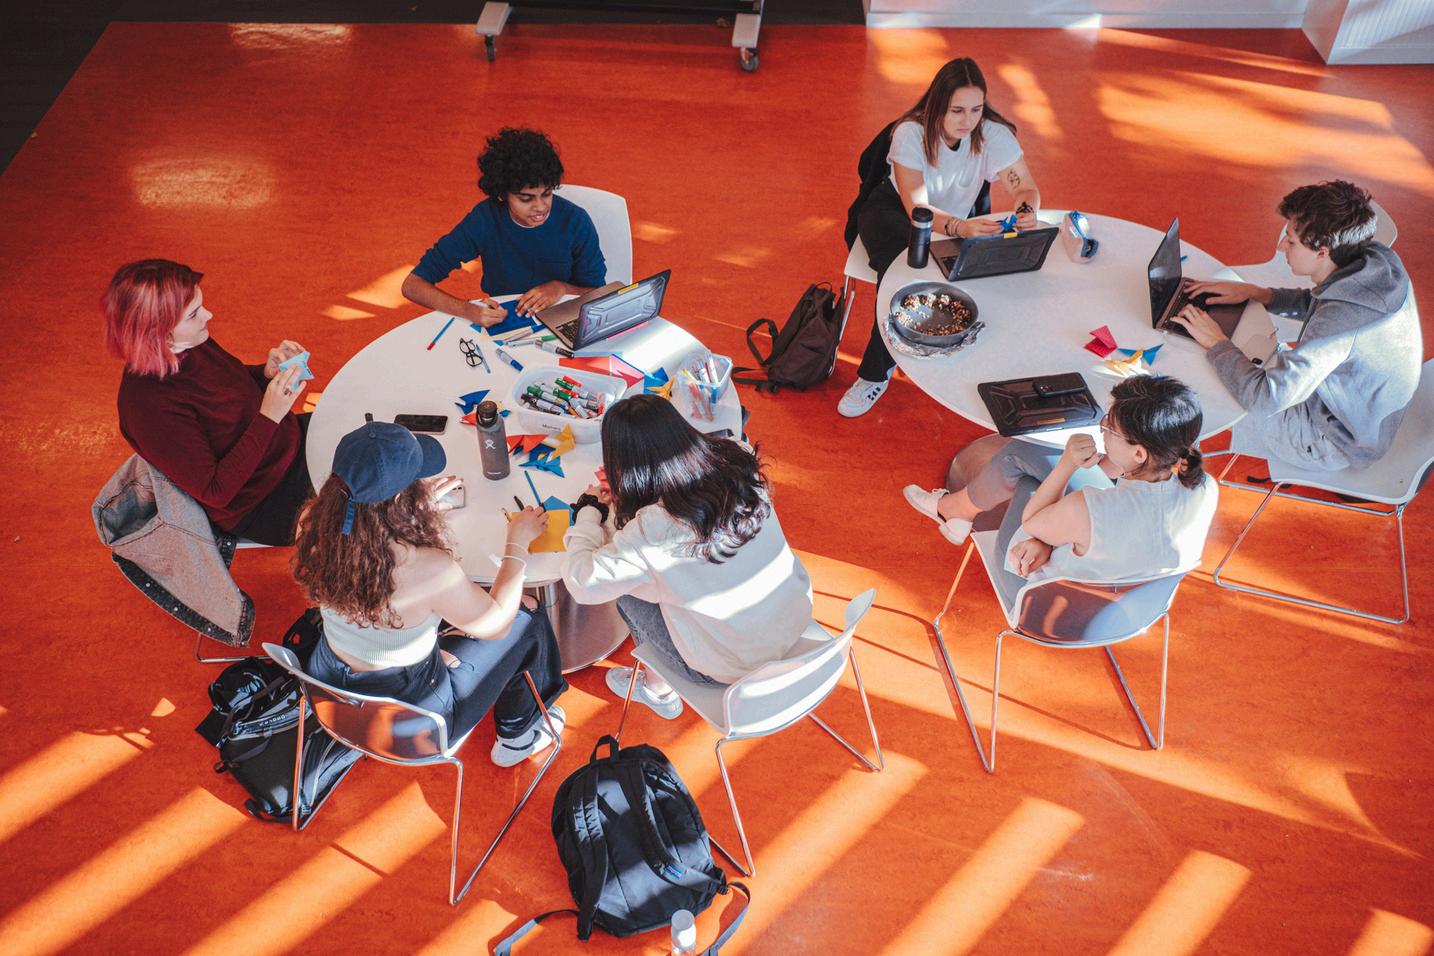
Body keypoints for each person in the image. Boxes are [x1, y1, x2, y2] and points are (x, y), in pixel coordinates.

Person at [292, 422, 567, 767]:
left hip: (331, 691)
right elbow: (497, 625)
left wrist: (404, 517)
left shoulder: (312, 523)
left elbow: (365, 541)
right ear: (398, 499)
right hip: (415, 720)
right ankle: (519, 736)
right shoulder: (428, 568)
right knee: (527, 615)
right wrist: (518, 543)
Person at [560, 395, 813, 717]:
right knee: (656, 579)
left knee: (628, 592)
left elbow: (582, 583)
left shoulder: (654, 529)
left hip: (730, 668)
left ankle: (658, 691)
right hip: (794, 618)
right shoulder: (738, 456)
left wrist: (589, 514)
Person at [839, 57, 1043, 418]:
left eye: (976, 109)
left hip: (956, 220)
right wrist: (961, 228)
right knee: (904, 278)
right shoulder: (910, 133)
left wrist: (1026, 210)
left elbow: (1024, 186)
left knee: (995, 274)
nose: (968, 121)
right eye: (957, 110)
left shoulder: (991, 133)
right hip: (895, 214)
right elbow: (917, 208)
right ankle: (874, 376)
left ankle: (956, 349)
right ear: (937, 105)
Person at [1171, 180, 1419, 472]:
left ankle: (1174, 476)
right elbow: (1326, 305)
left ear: (1322, 252)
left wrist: (1216, 343)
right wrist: (1260, 295)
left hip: (1326, 440)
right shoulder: (1377, 260)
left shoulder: (1340, 323)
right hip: (1360, 416)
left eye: (1290, 241)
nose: (1281, 246)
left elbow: (1265, 399)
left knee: (1198, 383)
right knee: (1232, 357)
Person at [903, 376, 1217, 605]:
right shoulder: (1204, 487)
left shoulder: (1087, 508)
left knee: (1030, 473)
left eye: (1110, 428)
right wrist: (1051, 538)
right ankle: (957, 512)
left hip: (1041, 602)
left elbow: (1033, 522)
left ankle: (954, 513)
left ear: (1139, 453)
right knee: (1037, 462)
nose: (1102, 431)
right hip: (1130, 607)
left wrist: (1067, 464)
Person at [105, 258, 312, 545]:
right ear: (158, 333)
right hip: (265, 500)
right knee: (370, 502)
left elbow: (226, 389)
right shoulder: (148, 408)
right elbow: (216, 491)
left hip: (287, 443)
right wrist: (269, 417)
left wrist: (265, 374)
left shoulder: (187, 344)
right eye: (193, 314)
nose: (208, 315)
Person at [400, 127, 607, 326]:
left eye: (546, 194)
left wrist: (560, 288)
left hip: (565, 317)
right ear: (502, 195)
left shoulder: (575, 221)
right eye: (526, 199)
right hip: (505, 322)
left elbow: (600, 293)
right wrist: (468, 309)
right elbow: (413, 285)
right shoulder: (484, 219)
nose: (540, 207)